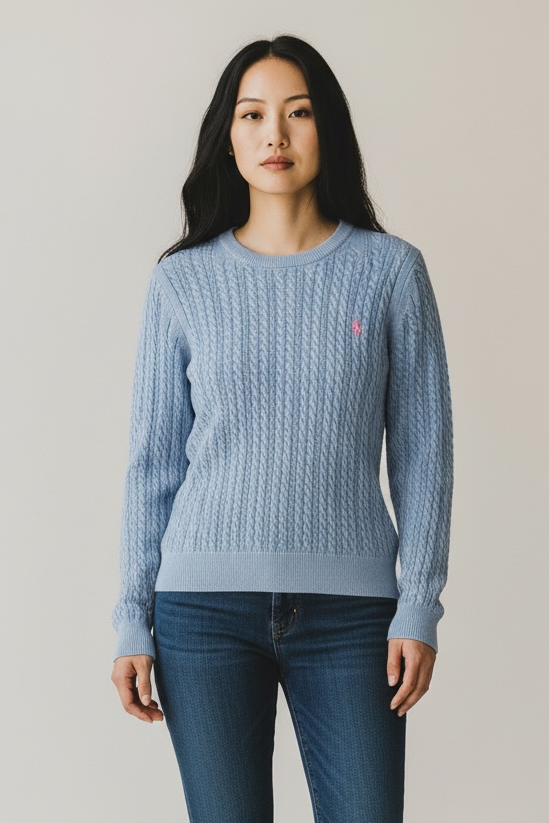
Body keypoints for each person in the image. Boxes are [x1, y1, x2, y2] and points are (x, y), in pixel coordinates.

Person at [110, 34, 454, 823]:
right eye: (252, 115)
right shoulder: (181, 281)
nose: (275, 134)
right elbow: (151, 463)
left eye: (297, 113)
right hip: (200, 611)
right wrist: (130, 616)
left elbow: (424, 453)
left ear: (326, 128)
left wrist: (418, 602)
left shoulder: (389, 271)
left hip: (354, 615)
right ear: (227, 137)